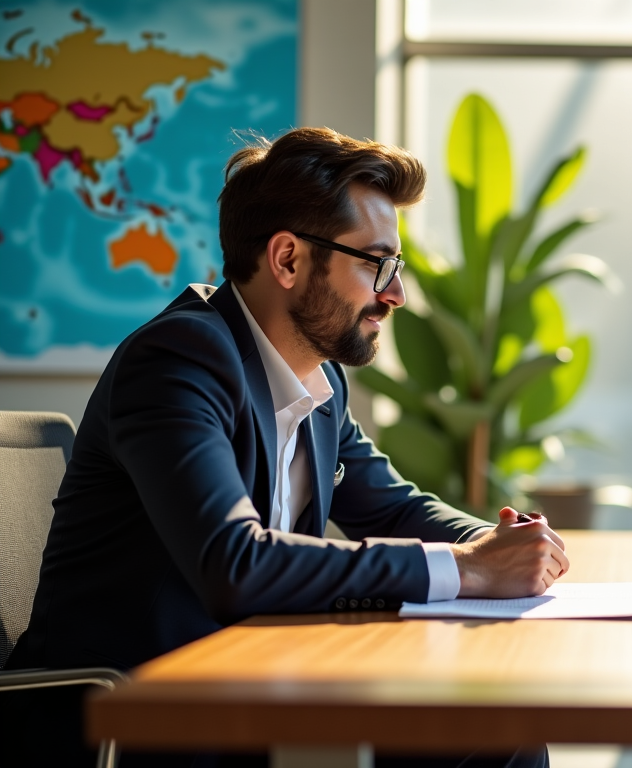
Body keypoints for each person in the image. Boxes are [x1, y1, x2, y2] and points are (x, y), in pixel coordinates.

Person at [2, 128, 560, 768]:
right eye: (376, 263)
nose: (395, 294)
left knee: (495, 736)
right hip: (124, 729)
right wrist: (472, 568)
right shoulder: (178, 361)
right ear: (288, 259)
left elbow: (394, 507)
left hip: (239, 696)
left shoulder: (318, 383)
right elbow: (234, 563)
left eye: (396, 267)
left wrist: (503, 541)